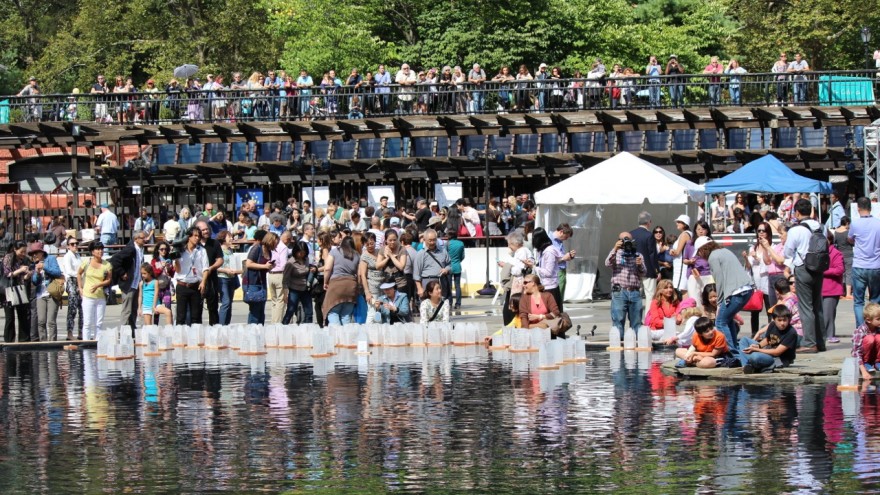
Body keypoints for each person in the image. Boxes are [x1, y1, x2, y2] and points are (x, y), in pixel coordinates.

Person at [697, 237, 754, 366]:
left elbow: (719, 280)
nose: (699, 255)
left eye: (699, 252)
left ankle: (733, 354)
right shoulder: (724, 251)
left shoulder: (713, 257)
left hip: (736, 292)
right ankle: (736, 351)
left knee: (720, 321)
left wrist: (719, 302)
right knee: (727, 320)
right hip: (747, 289)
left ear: (703, 249)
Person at [784, 198, 825, 353]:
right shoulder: (821, 226)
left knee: (806, 307)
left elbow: (788, 252)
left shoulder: (796, 230)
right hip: (819, 268)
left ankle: (809, 343)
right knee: (817, 306)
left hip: (803, 268)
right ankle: (821, 342)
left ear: (797, 212)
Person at [606, 231, 646, 339]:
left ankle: (637, 345)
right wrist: (615, 248)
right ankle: (619, 346)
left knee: (637, 322)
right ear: (619, 241)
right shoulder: (616, 254)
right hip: (620, 291)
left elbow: (643, 273)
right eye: (624, 239)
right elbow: (607, 263)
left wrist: (640, 265)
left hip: (634, 292)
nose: (626, 241)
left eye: (628, 239)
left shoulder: (638, 255)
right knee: (618, 321)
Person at [848, 197, 880, 327]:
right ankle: (875, 326)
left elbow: (850, 239)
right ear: (871, 207)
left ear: (858, 208)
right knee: (875, 299)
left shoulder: (855, 223)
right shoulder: (878, 223)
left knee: (858, 301)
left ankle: (862, 329)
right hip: (876, 265)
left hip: (859, 265)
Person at [740, 305, 798, 374]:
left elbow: (777, 352)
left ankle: (749, 363)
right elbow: (767, 339)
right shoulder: (772, 325)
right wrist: (758, 346)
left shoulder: (791, 333)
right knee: (744, 340)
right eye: (779, 320)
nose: (782, 323)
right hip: (767, 351)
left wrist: (757, 350)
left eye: (784, 320)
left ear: (789, 319)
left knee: (755, 356)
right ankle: (746, 366)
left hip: (778, 358)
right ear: (774, 319)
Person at [110, 229, 146, 333]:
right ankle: (123, 331)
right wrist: (122, 273)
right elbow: (115, 260)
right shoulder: (131, 249)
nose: (145, 240)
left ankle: (132, 330)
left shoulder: (140, 249)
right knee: (127, 309)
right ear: (136, 239)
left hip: (136, 283)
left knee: (133, 309)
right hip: (129, 284)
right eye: (143, 238)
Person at [173, 227, 210, 325]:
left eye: (199, 236)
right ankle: (180, 338)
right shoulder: (180, 250)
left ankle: (195, 338)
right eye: (195, 236)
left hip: (195, 285)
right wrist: (175, 259)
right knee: (181, 316)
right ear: (189, 237)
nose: (197, 238)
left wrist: (203, 282)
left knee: (196, 316)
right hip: (182, 284)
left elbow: (205, 268)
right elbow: (178, 270)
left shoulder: (201, 250)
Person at [533, 227, 574, 313]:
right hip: (547, 285)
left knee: (552, 314)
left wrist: (534, 267)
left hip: (550, 287)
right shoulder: (544, 250)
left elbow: (548, 272)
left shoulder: (549, 251)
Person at [323, 236, 360, 325]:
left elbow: (327, 269)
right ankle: (347, 337)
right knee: (346, 315)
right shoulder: (357, 255)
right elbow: (359, 273)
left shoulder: (334, 252)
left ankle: (336, 336)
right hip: (351, 286)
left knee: (333, 312)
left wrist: (325, 282)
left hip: (336, 285)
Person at [78, 241, 112, 340]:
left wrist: (99, 284)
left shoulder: (107, 265)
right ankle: (86, 343)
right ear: (92, 252)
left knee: (99, 323)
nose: (100, 251)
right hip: (88, 296)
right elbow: (79, 274)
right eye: (97, 249)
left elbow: (109, 280)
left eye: (101, 249)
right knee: (87, 323)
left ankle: (98, 342)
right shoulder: (86, 262)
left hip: (101, 296)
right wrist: (80, 288)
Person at [30, 242, 63, 341]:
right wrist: (37, 273)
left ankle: (52, 343)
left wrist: (44, 267)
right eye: (33, 253)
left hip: (51, 292)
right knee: (41, 321)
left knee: (51, 321)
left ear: (41, 252)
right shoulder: (34, 264)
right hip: (40, 294)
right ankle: (43, 342)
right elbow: (35, 282)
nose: (34, 255)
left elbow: (57, 272)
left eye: (36, 252)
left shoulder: (51, 259)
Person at [745, 222, 774, 336]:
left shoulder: (772, 246)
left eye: (764, 230)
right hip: (756, 282)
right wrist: (746, 258)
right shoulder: (753, 247)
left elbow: (769, 262)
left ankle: (770, 333)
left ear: (768, 233)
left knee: (769, 309)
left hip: (767, 280)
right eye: (759, 230)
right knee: (755, 309)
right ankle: (754, 333)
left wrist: (765, 248)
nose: (761, 233)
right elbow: (748, 267)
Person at [243, 232, 276, 325]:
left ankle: (260, 332)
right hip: (252, 282)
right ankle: (252, 333)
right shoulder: (256, 248)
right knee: (255, 311)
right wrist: (264, 266)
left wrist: (270, 267)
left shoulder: (269, 251)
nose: (276, 246)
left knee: (261, 311)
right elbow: (248, 264)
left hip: (261, 282)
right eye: (275, 243)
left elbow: (264, 267)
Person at [196, 220, 224, 325]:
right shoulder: (195, 244)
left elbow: (220, 259)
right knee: (197, 308)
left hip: (211, 279)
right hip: (198, 279)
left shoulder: (214, 243)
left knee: (213, 308)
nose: (206, 231)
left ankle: (214, 331)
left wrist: (211, 268)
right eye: (203, 230)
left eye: (207, 229)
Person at [413, 228, 451, 300]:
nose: (432, 242)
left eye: (434, 240)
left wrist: (446, 269)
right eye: (430, 240)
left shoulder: (443, 251)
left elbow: (449, 264)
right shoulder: (420, 254)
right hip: (426, 282)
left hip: (441, 282)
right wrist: (419, 288)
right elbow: (416, 274)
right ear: (424, 240)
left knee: (441, 307)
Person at [282, 240, 313, 324]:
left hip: (305, 289)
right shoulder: (290, 263)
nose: (301, 255)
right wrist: (285, 294)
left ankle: (308, 328)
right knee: (290, 310)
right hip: (294, 289)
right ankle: (284, 326)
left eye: (303, 253)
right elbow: (285, 279)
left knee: (309, 311)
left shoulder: (306, 259)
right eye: (299, 253)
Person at [630, 212, 659, 302]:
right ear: (649, 222)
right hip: (648, 269)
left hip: (633, 268)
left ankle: (635, 315)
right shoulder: (649, 235)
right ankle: (648, 315)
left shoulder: (631, 234)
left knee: (635, 294)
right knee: (650, 295)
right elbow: (652, 254)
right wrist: (656, 270)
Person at [822, 232, 845, 345]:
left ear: (829, 240)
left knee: (828, 315)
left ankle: (829, 335)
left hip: (831, 289)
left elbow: (839, 270)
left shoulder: (836, 253)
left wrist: (823, 271)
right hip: (820, 289)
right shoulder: (817, 253)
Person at [217, 231, 241, 325]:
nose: (231, 239)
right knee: (226, 302)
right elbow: (215, 266)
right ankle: (221, 326)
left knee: (230, 303)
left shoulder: (230, 250)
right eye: (229, 237)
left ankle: (226, 325)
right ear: (223, 239)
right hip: (222, 278)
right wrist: (225, 270)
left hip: (232, 278)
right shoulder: (219, 250)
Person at [61, 236, 83, 340]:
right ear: (68, 246)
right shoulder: (67, 256)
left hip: (80, 281)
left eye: (76, 243)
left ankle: (81, 332)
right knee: (72, 308)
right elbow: (69, 271)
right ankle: (69, 333)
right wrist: (79, 274)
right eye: (72, 244)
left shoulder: (78, 255)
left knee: (82, 308)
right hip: (71, 281)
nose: (75, 245)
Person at [267, 229, 290, 323]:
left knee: (274, 301)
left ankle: (273, 321)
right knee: (281, 300)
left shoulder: (271, 246)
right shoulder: (283, 247)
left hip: (270, 274)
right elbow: (284, 264)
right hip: (280, 275)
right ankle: (277, 324)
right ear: (287, 239)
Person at [852, 302, 880, 379]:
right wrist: (863, 370)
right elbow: (856, 352)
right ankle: (866, 363)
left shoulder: (878, 328)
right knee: (870, 338)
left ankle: (877, 362)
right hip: (863, 359)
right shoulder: (861, 331)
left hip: (874, 357)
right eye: (878, 319)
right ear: (868, 320)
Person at [668, 214, 693, 298]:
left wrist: (670, 250)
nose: (677, 224)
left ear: (684, 224)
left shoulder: (684, 235)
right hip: (683, 265)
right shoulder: (689, 234)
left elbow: (677, 252)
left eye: (679, 222)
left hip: (682, 267)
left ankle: (686, 309)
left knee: (683, 290)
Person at [834, 216, 853, 299]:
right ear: (847, 223)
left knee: (842, 273)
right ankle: (848, 293)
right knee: (849, 273)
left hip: (839, 255)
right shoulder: (847, 232)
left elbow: (834, 243)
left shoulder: (836, 232)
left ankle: (841, 292)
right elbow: (851, 242)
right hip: (848, 255)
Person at [445, 229, 465, 309]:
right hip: (457, 266)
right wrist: (458, 260)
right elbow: (462, 256)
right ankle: (458, 303)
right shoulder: (461, 243)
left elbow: (445, 256)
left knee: (449, 286)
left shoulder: (447, 244)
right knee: (457, 286)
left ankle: (449, 303)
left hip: (449, 266)